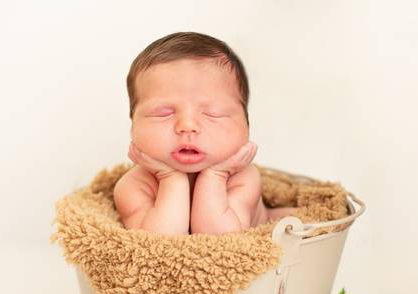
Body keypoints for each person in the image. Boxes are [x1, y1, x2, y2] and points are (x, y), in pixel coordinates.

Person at [113, 32, 297, 235]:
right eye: (164, 113)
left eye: (213, 113)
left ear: (247, 125)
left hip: (269, 246)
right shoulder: (133, 186)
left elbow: (221, 238)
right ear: (133, 125)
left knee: (299, 220)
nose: (187, 125)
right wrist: (170, 178)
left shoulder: (243, 178)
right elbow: (159, 242)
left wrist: (216, 175)